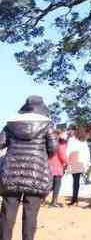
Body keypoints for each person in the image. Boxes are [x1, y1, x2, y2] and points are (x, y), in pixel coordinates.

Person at [0, 95, 57, 240]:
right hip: (36, 174)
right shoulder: (47, 125)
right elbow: (53, 148)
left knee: (7, 213)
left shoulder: (11, 124)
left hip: (11, 174)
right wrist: (41, 157)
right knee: (31, 214)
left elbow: (0, 143)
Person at [66, 127, 90, 206]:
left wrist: (66, 162)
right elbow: (87, 153)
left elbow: (68, 151)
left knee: (75, 181)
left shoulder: (72, 139)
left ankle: (74, 199)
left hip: (74, 159)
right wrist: (87, 163)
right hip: (81, 161)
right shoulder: (84, 140)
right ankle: (75, 199)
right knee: (77, 181)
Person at [47, 129, 68, 208]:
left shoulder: (50, 141)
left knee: (50, 184)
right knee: (57, 184)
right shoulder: (61, 142)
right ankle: (54, 202)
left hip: (49, 164)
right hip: (58, 166)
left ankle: (41, 199)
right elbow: (62, 155)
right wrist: (68, 162)